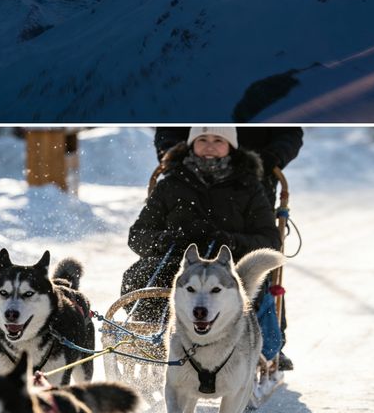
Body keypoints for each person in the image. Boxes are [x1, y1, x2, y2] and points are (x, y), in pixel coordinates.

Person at [121, 126, 289, 364]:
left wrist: (231, 240)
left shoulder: (248, 185)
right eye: (202, 139)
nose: (209, 146)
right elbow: (138, 235)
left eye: (218, 140)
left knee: (245, 290)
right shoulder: (172, 182)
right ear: (191, 144)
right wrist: (165, 239)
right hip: (175, 261)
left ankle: (247, 350)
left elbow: (270, 240)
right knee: (140, 276)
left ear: (230, 146)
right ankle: (152, 340)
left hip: (226, 266)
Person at [154, 126, 303, 208]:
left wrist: (274, 156)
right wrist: (173, 153)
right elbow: (168, 130)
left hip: (256, 176)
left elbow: (289, 133)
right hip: (190, 171)